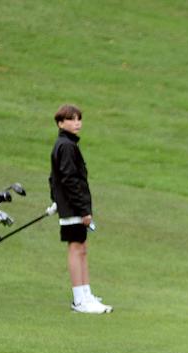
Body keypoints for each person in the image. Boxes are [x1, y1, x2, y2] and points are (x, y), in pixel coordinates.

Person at [49, 104, 112, 314]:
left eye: (79, 119)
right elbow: (68, 179)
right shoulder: (66, 145)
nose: (76, 123)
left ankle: (86, 294)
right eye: (71, 119)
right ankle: (79, 300)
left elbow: (54, 178)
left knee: (82, 248)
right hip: (72, 207)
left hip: (71, 206)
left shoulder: (67, 144)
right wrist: (83, 209)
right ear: (60, 123)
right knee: (76, 249)